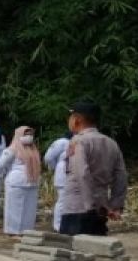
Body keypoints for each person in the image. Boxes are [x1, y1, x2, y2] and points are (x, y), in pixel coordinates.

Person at [59, 100, 127, 236]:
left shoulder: (79, 141)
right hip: (101, 209)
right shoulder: (111, 143)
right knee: (95, 252)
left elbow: (82, 174)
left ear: (77, 120)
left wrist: (89, 205)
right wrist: (115, 206)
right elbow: (121, 176)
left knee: (72, 253)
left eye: (70, 117)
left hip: (78, 208)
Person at [0, 125, 42, 236]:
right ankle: (13, 231)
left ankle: (26, 231)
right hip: (16, 183)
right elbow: (0, 165)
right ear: (19, 135)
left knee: (29, 209)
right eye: (26, 134)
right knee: (15, 208)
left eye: (31, 134)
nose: (29, 137)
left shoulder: (33, 149)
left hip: (32, 183)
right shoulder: (12, 149)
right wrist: (10, 171)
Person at [44, 131, 72, 232]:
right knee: (63, 200)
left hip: (74, 172)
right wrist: (56, 167)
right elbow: (48, 157)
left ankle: (68, 223)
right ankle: (58, 225)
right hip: (64, 172)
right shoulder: (62, 142)